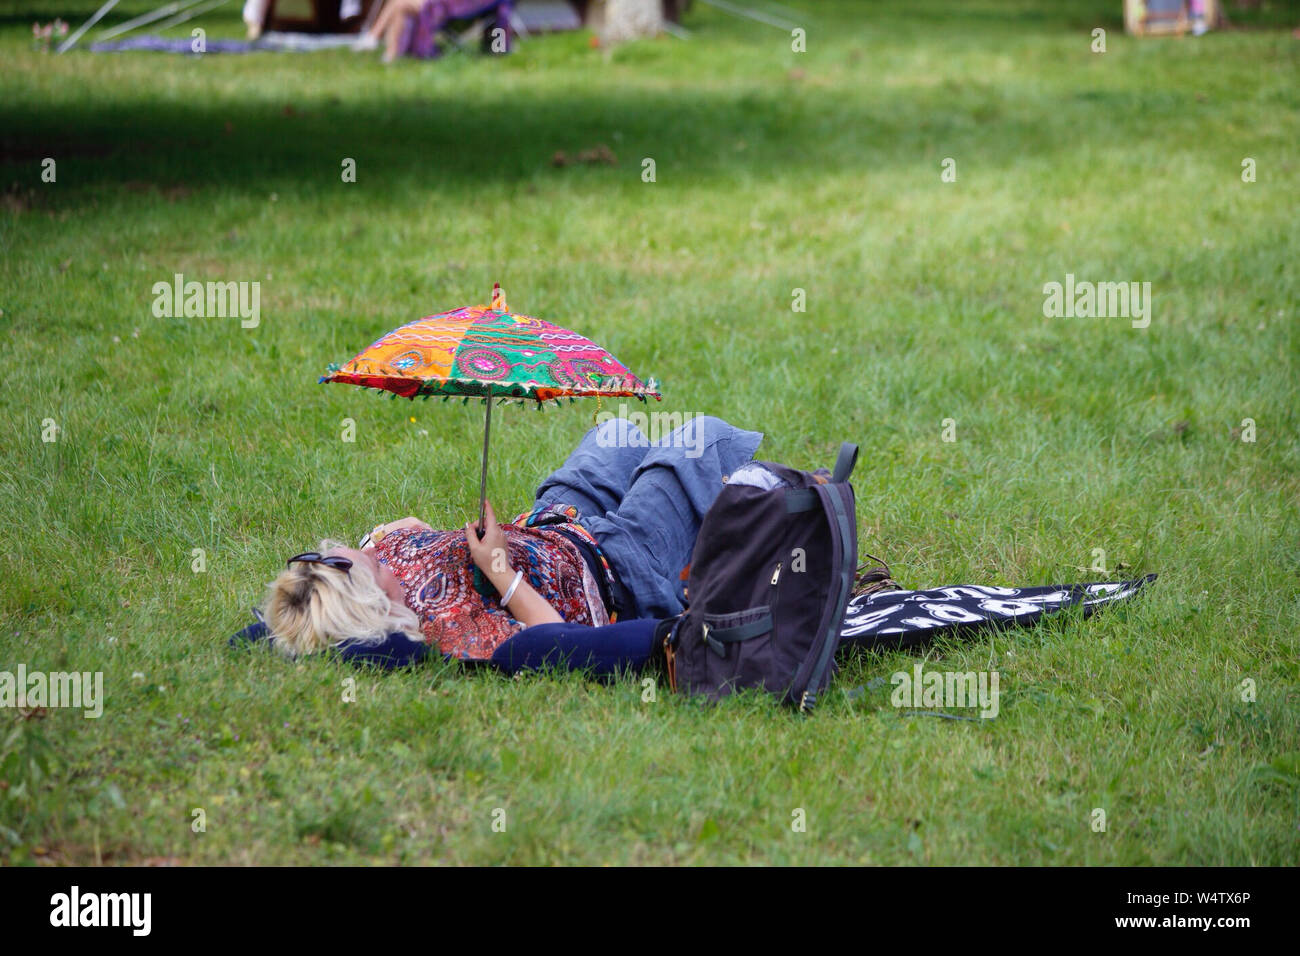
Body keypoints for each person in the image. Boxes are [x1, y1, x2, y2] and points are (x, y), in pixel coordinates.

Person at [262, 415, 763, 659]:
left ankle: (685, 516)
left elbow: (398, 534)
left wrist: (400, 535)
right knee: (699, 438)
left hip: (552, 522)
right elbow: (558, 639)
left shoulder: (385, 566)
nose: (332, 551)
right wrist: (498, 571)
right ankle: (741, 519)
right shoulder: (449, 627)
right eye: (339, 560)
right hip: (617, 566)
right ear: (370, 600)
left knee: (618, 432)